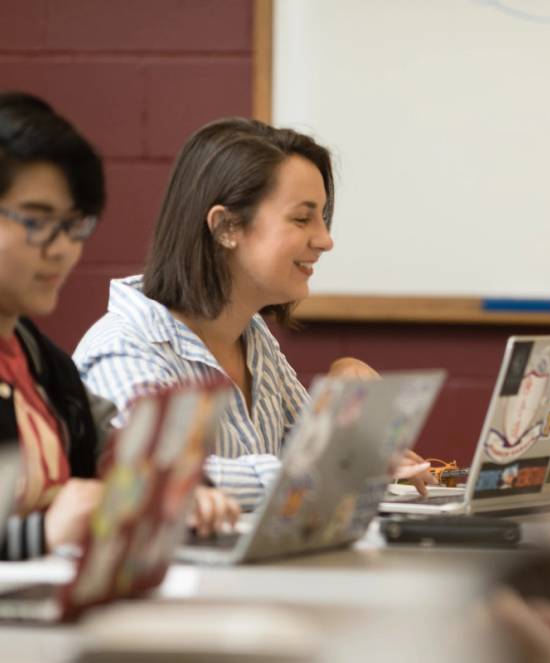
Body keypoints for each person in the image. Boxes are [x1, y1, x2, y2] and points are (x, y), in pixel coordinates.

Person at [74, 117, 433, 510]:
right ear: (226, 226)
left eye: (322, 218)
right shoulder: (125, 349)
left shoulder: (252, 335)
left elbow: (316, 459)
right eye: (301, 218)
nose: (326, 240)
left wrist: (345, 401)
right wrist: (335, 465)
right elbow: (161, 480)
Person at [0, 92, 237, 560]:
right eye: (38, 221)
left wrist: (177, 489)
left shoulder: (37, 357)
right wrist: (40, 535)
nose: (62, 248)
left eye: (74, 226)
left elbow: (119, 447)